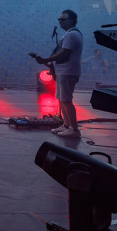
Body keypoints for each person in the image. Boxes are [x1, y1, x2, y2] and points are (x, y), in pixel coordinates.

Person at [31, 9, 83, 138]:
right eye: (59, 19)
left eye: (63, 19)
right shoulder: (69, 35)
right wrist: (49, 64)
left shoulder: (72, 35)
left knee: (66, 100)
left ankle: (74, 129)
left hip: (68, 72)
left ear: (71, 20)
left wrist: (46, 60)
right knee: (62, 99)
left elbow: (64, 53)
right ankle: (66, 125)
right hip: (63, 71)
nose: (60, 21)